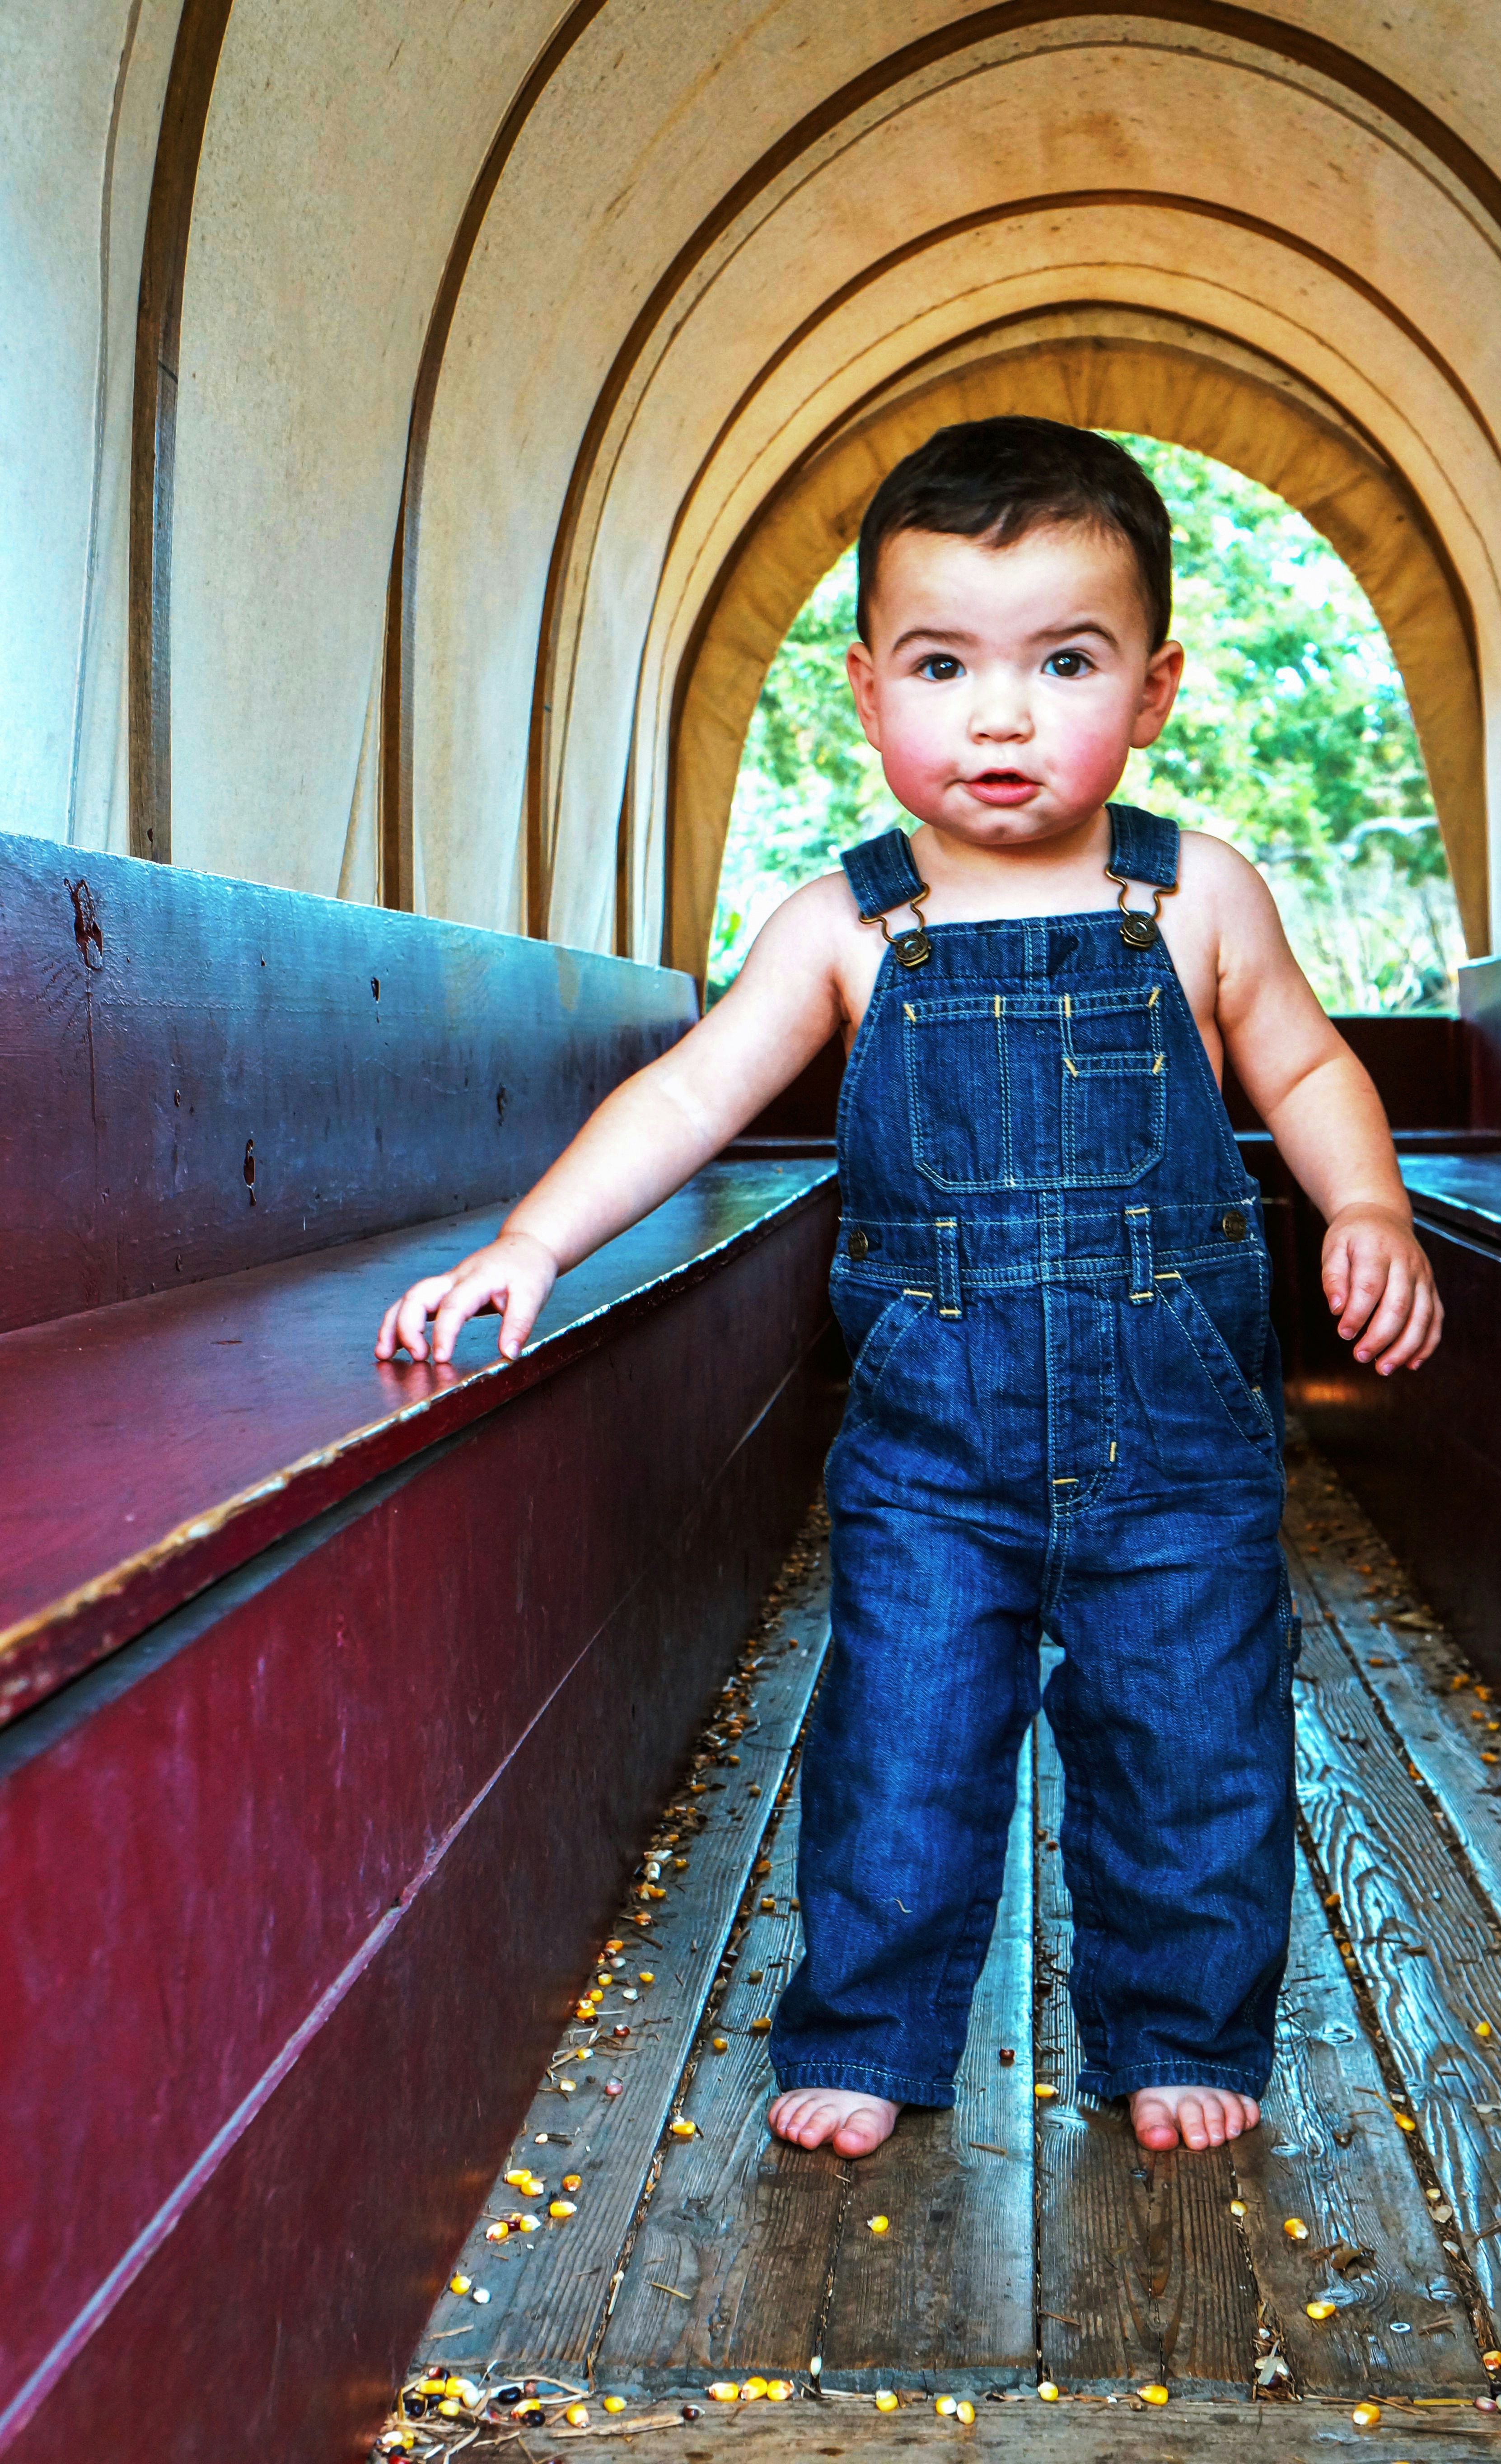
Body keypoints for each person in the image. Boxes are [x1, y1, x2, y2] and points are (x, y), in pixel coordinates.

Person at [376, 415, 1442, 2161]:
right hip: (933, 1454)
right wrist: (534, 1240)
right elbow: (688, 1095)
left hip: (1180, 1446)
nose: (1001, 718)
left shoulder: (1197, 899)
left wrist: (1369, 1205)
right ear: (870, 696)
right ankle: (873, 2030)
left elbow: (1310, 1067)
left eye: (1065, 663)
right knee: (900, 1740)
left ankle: (1181, 2030)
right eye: (946, 666)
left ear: (1156, 690)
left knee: (1199, 1744)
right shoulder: (844, 928)